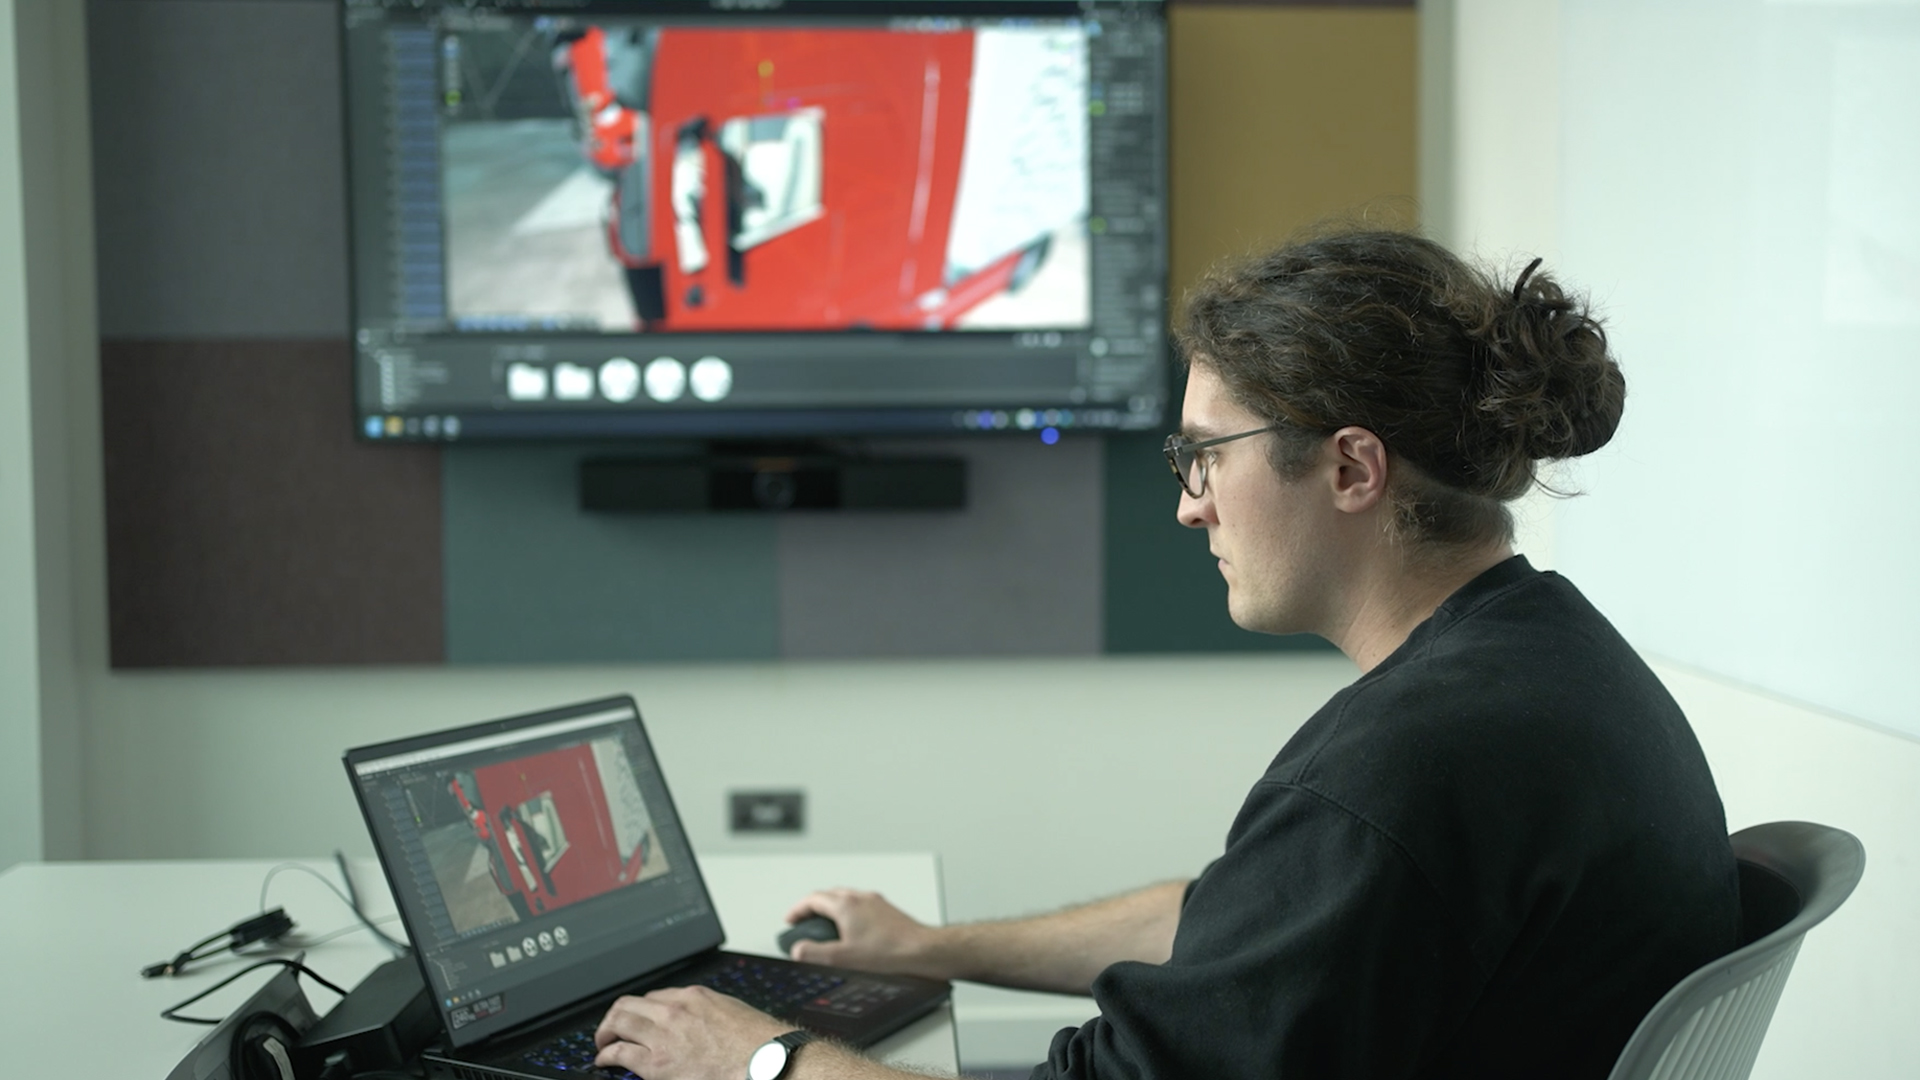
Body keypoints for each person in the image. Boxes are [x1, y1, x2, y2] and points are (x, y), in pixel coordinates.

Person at [591, 228, 1742, 1080]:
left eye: (1205, 458)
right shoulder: (1550, 662)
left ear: (1351, 469)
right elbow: (1243, 927)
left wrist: (764, 1061)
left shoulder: (1398, 777)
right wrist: (935, 947)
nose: (1191, 508)